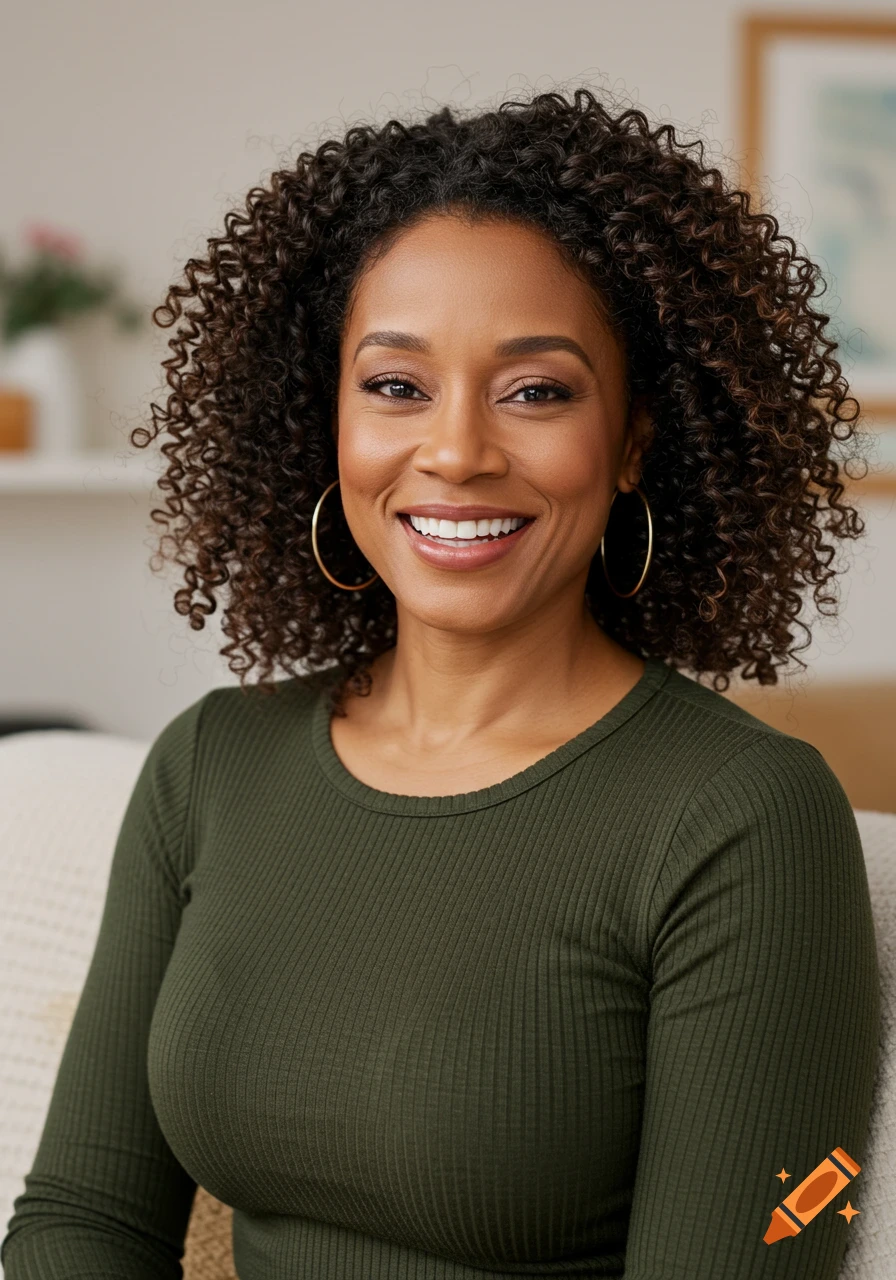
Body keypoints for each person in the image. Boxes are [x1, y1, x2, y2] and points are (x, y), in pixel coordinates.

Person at [1, 89, 880, 1280]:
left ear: (632, 440)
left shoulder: (741, 815)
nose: (456, 450)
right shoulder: (211, 761)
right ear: (323, 420)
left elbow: (764, 1237)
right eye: (395, 386)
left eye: (535, 390)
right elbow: (83, 1217)